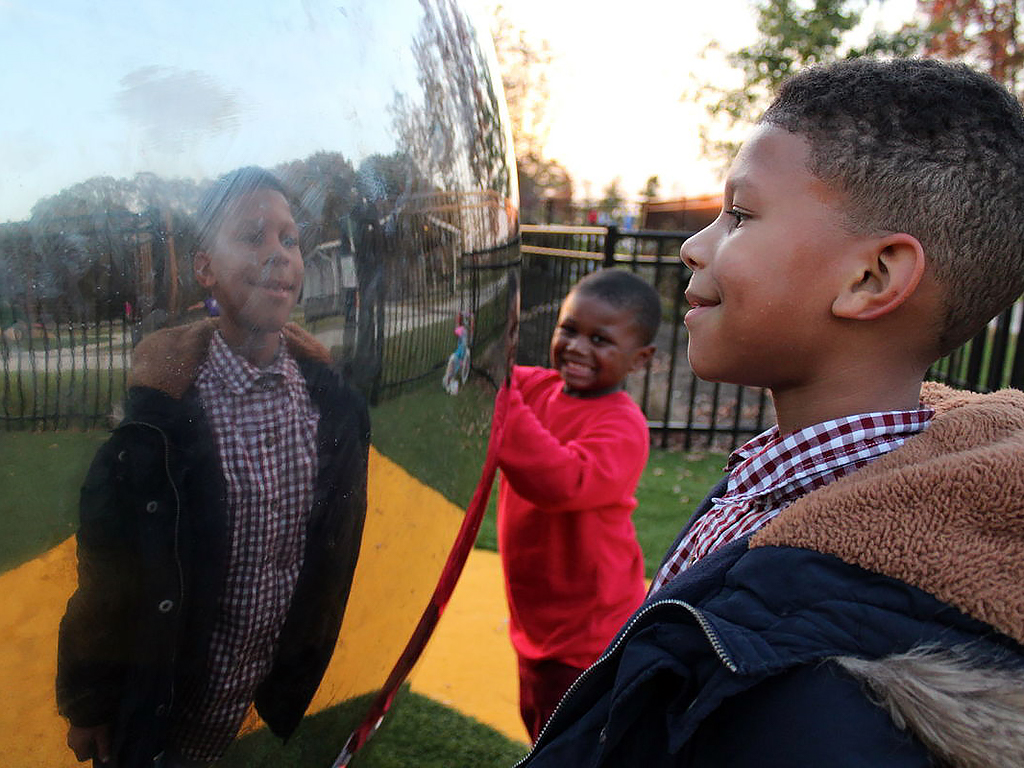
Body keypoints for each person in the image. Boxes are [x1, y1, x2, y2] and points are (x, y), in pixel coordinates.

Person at [516, 58, 1024, 766]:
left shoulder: (841, 697)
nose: (694, 247)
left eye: (741, 215)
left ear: (871, 278)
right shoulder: (778, 474)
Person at [57, 167, 370, 767]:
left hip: (241, 704)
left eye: (289, 239)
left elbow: (325, 555)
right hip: (156, 711)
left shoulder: (326, 407)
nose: (278, 254)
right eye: (253, 237)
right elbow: (108, 570)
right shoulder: (164, 422)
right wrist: (92, 702)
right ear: (205, 269)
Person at [497, 268, 659, 741]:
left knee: (573, 740)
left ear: (640, 359)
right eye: (568, 329)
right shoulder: (538, 389)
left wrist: (503, 399)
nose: (578, 348)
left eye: (601, 339)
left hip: (588, 631)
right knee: (539, 723)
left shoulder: (623, 426)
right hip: (537, 616)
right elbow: (490, 376)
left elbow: (563, 482)